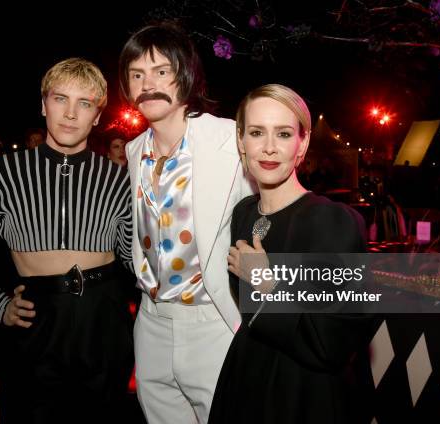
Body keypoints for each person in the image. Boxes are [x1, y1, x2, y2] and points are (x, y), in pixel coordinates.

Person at [0, 58, 134, 422]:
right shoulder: (3, 172)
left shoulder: (120, 179)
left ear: (97, 116)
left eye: (85, 103)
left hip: (103, 316)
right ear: (44, 105)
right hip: (37, 316)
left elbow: (135, 259)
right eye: (61, 99)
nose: (71, 113)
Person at [209, 84, 376, 423]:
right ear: (241, 141)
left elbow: (334, 342)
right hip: (245, 379)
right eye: (257, 132)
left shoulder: (332, 222)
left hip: (303, 394)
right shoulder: (244, 213)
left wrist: (266, 282)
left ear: (303, 143)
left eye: (284, 133)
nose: (269, 147)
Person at [119, 22, 255, 423]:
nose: (149, 84)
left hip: (213, 320)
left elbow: (271, 208)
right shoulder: (131, 150)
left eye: (162, 72)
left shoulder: (230, 140)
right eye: (137, 74)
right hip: (150, 323)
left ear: (186, 76)